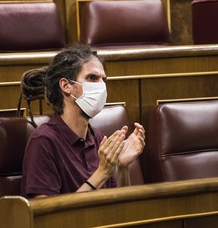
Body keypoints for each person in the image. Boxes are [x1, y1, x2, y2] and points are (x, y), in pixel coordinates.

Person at [20, 43, 145, 199]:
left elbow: (119, 207)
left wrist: (123, 167)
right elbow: (47, 215)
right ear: (66, 86)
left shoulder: (99, 139)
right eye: (92, 78)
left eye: (103, 80)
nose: (101, 86)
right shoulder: (43, 141)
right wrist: (102, 173)